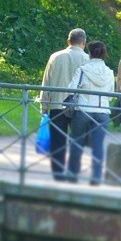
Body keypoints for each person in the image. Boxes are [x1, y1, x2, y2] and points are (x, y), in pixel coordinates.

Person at [39, 28, 89, 181]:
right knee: (77, 140)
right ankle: (73, 173)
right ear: (84, 43)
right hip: (79, 106)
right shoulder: (88, 59)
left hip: (57, 104)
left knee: (57, 141)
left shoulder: (55, 57)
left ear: (68, 41)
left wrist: (44, 104)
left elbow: (46, 82)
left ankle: (58, 174)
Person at [66, 41, 115, 186]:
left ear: (89, 53)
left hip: (83, 109)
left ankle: (73, 174)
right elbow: (111, 94)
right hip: (102, 111)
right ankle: (96, 176)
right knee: (98, 145)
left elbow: (71, 89)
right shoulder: (109, 72)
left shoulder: (82, 70)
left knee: (77, 141)